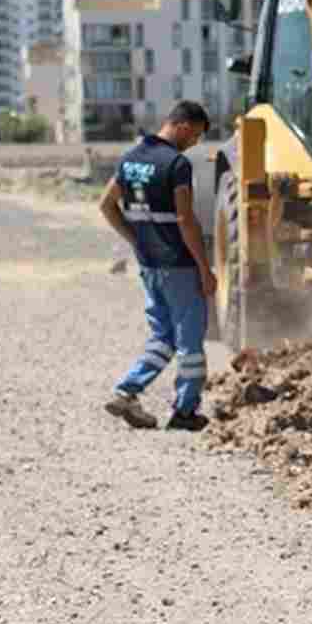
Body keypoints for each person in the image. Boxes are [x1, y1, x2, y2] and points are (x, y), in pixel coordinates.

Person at [98, 101, 216, 431]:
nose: (194, 143)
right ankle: (185, 411)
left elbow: (106, 204)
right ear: (183, 126)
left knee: (163, 336)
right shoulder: (176, 164)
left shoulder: (130, 159)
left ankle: (126, 391)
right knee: (190, 343)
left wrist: (136, 240)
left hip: (149, 263)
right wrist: (204, 269)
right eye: (195, 136)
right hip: (179, 264)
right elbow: (185, 220)